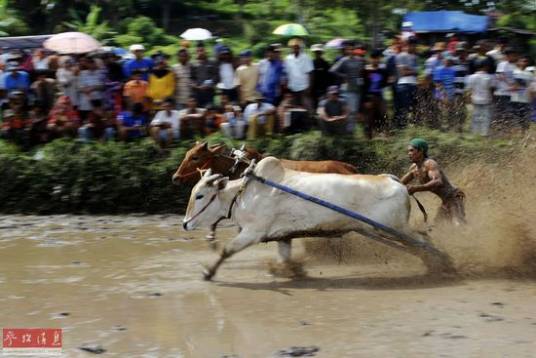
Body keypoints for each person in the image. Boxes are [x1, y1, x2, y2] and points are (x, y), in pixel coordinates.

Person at [401, 138, 466, 226]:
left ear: (421, 151)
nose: (409, 153)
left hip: (454, 197)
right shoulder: (413, 169)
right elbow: (399, 183)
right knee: (438, 227)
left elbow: (437, 181)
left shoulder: (429, 164)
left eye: (412, 150)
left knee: (458, 225)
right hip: (445, 201)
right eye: (408, 151)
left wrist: (416, 188)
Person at [330, 40, 365, 132]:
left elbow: (362, 72)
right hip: (347, 89)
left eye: (352, 49)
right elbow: (333, 70)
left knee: (354, 111)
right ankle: (347, 130)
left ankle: (351, 130)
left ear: (354, 49)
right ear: (346, 50)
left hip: (357, 88)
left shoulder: (360, 60)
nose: (350, 51)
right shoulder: (344, 60)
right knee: (349, 110)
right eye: (348, 49)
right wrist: (343, 76)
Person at [362, 49, 388, 138]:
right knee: (369, 118)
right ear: (370, 59)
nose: (376, 60)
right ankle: (368, 137)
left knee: (383, 114)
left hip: (379, 95)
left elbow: (384, 83)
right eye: (374, 58)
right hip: (369, 96)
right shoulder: (366, 70)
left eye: (377, 58)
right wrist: (366, 100)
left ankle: (384, 134)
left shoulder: (382, 71)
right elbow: (363, 87)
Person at [393, 37, 418, 128]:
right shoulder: (401, 56)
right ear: (407, 45)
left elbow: (414, 72)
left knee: (415, 108)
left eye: (415, 45)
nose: (414, 47)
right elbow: (403, 72)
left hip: (413, 84)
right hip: (404, 84)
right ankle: (401, 128)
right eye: (412, 45)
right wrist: (413, 71)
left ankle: (412, 126)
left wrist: (410, 70)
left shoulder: (415, 57)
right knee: (404, 108)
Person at [284, 38, 314, 113]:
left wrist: (309, 87)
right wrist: (286, 86)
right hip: (292, 86)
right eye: (293, 47)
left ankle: (311, 119)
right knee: (294, 107)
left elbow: (310, 73)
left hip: (304, 86)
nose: (295, 48)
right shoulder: (288, 58)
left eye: (297, 47)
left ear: (300, 48)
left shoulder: (306, 57)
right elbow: (287, 73)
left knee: (306, 106)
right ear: (291, 48)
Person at [466, 61, 494, 136]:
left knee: (475, 116)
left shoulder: (471, 77)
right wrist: (492, 98)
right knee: (486, 117)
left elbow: (469, 89)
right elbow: (490, 89)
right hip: (486, 99)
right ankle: (484, 133)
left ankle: (475, 132)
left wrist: (468, 99)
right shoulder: (489, 77)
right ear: (485, 67)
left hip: (475, 99)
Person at [510, 55, 533, 131]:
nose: (524, 62)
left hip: (525, 99)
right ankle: (516, 131)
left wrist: (531, 97)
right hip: (515, 98)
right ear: (518, 62)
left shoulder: (529, 74)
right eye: (522, 61)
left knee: (525, 117)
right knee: (515, 116)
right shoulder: (514, 72)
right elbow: (510, 84)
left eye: (526, 61)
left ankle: (524, 132)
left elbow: (530, 87)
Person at [310, 44, 331, 109]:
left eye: (319, 52)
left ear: (321, 53)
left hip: (323, 88)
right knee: (313, 105)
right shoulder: (311, 63)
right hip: (313, 88)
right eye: (316, 52)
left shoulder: (326, 63)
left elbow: (329, 76)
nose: (317, 54)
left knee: (322, 105)